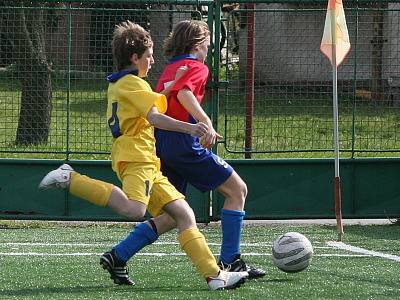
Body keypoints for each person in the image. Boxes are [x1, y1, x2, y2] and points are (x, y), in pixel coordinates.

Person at [38, 20, 248, 291]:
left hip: (149, 161)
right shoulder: (133, 84)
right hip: (138, 159)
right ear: (135, 57)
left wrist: (170, 86)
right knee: (134, 209)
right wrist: (193, 127)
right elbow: (156, 117)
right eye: (148, 57)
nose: (151, 61)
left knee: (184, 213)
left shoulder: (125, 84)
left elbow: (150, 102)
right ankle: (71, 178)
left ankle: (215, 276)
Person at [105, 20, 265, 281]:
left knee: (172, 214)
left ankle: (119, 255)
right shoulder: (196, 66)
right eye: (209, 45)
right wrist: (205, 123)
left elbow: (165, 99)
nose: (208, 50)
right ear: (198, 43)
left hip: (161, 145)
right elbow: (184, 95)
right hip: (183, 144)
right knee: (238, 190)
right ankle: (231, 261)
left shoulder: (171, 68)